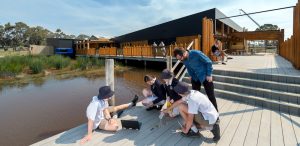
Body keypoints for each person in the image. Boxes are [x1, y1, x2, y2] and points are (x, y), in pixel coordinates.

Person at [173, 48, 218, 112]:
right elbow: (188, 68)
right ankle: (198, 111)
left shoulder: (196, 53)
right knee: (195, 96)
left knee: (211, 96)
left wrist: (209, 74)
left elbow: (208, 62)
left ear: (184, 53)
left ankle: (216, 114)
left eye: (181, 58)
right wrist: (191, 75)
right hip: (195, 78)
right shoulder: (184, 59)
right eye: (179, 59)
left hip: (205, 76)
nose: (181, 60)